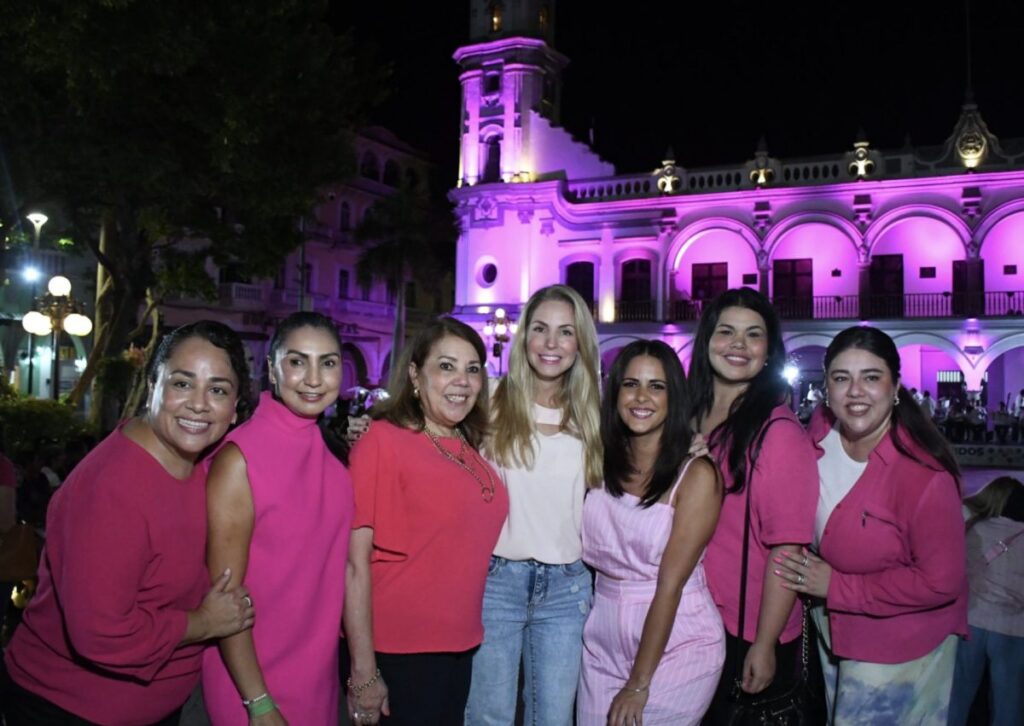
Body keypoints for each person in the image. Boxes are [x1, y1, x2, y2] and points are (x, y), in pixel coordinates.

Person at [1, 321, 256, 726]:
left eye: (218, 390)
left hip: (152, 706)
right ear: (152, 384)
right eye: (183, 384)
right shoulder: (112, 490)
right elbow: (101, 633)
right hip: (70, 708)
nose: (199, 404)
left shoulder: (201, 462)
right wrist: (204, 622)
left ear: (236, 405)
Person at [773, 325, 967, 725]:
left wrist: (836, 586)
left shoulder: (925, 477)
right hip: (833, 635)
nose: (855, 391)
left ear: (896, 387)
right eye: (842, 378)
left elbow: (941, 583)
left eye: (871, 377)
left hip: (899, 650)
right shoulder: (818, 438)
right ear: (826, 389)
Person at [344, 317, 509, 725]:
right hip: (398, 650)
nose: (463, 381)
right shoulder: (381, 441)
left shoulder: (468, 445)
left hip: (460, 645)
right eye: (447, 366)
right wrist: (364, 672)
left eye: (473, 369)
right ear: (416, 375)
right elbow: (353, 564)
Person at [203, 311, 354, 724]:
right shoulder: (239, 459)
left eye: (328, 362)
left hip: (317, 675)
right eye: (297, 361)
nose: (313, 378)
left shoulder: (335, 459)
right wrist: (258, 702)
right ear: (271, 369)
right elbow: (225, 598)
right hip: (251, 680)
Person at [464, 285, 602, 726]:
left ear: (580, 342)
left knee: (554, 719)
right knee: (488, 717)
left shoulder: (595, 413)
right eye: (540, 329)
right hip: (496, 582)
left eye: (565, 332)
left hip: (567, 588)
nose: (550, 343)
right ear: (523, 337)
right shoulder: (489, 399)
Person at [687, 288, 818, 723]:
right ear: (706, 341)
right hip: (697, 618)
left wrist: (764, 642)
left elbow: (788, 549)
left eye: (753, 334)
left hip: (746, 629)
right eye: (726, 331)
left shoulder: (776, 433)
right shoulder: (691, 417)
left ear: (768, 353)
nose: (738, 344)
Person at [577, 340, 724, 725]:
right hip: (602, 638)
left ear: (674, 396)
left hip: (680, 639)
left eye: (657, 386)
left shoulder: (696, 476)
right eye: (630, 384)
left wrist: (639, 684)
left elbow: (670, 586)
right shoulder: (597, 460)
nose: (642, 397)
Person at [948, 476, 1024, 726]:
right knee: (1008, 704)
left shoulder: (975, 528)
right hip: (1013, 630)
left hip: (972, 623)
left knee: (958, 697)